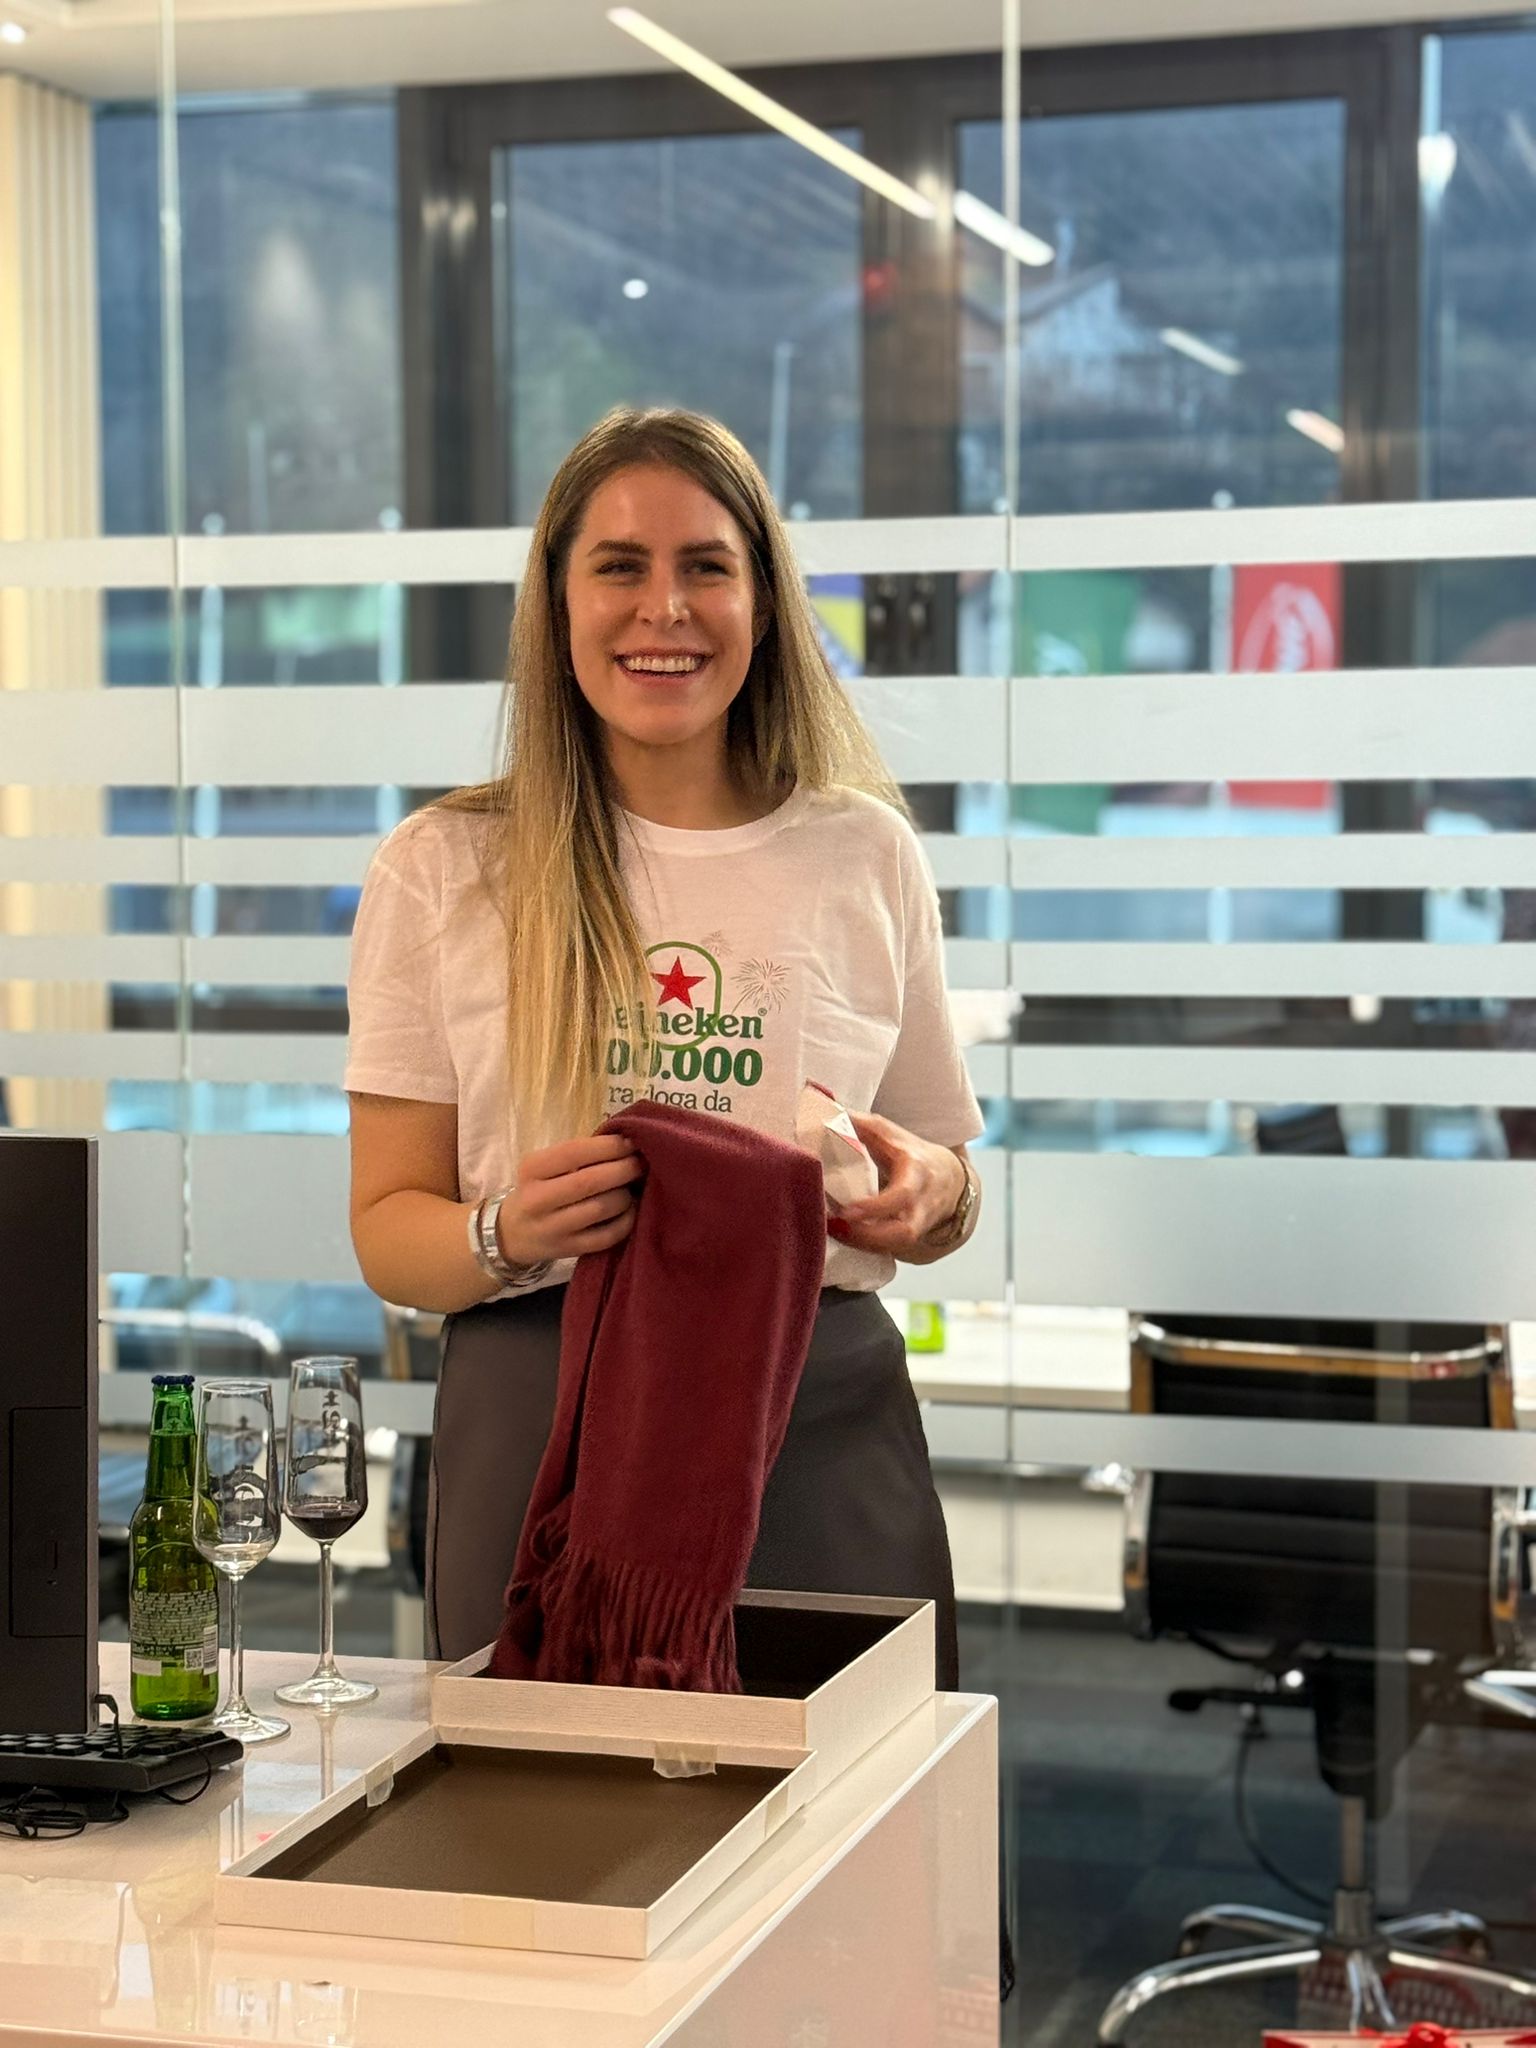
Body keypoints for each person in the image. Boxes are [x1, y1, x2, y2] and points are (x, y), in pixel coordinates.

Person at [344, 407, 984, 1681]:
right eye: (620, 566)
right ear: (558, 602)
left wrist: (933, 1193)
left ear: (764, 600)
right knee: (549, 1797)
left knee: (853, 1796)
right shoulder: (444, 866)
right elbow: (386, 1230)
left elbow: (949, 1180)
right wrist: (507, 1229)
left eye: (706, 566)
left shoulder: (863, 853)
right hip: (545, 1411)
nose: (665, 609)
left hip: (818, 1408)